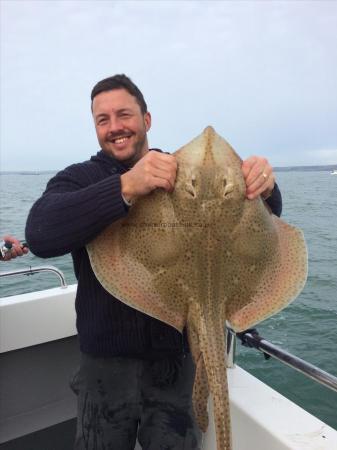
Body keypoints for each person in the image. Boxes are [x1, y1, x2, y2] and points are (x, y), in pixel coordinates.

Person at [25, 74, 282, 450]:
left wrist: (266, 187)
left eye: (124, 115)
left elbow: (266, 223)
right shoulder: (80, 178)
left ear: (147, 120)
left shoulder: (181, 171)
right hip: (104, 370)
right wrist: (125, 187)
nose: (115, 127)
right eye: (103, 119)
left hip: (174, 367)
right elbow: (41, 234)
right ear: (95, 127)